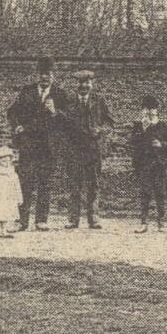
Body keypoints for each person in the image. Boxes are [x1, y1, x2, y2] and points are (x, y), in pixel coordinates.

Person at [5, 58, 61, 230]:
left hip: (48, 146)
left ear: (53, 76)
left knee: (45, 182)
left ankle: (41, 220)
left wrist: (55, 112)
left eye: (48, 74)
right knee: (25, 182)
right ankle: (22, 220)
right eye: (42, 74)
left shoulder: (60, 94)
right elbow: (12, 112)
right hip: (29, 144)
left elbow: (68, 121)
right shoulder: (26, 92)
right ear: (37, 75)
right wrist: (17, 127)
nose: (45, 78)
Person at [62, 69, 114, 229]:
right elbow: (62, 124)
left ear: (92, 84)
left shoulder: (100, 101)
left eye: (87, 82)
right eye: (80, 83)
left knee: (94, 184)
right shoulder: (69, 101)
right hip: (75, 149)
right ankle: (73, 218)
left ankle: (93, 217)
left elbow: (110, 123)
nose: (84, 86)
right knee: (74, 185)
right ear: (76, 85)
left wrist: (100, 130)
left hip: (93, 149)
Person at [128, 96, 167, 233]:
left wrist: (162, 144)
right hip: (143, 164)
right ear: (142, 110)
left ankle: (161, 221)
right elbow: (132, 143)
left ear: (156, 111)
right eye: (146, 109)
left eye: (152, 109)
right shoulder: (138, 126)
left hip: (158, 164)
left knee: (159, 192)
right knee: (144, 192)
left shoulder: (162, 126)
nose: (149, 112)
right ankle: (143, 222)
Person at [0, 146, 24, 239]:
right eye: (3, 161)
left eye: (8, 161)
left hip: (9, 197)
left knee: (6, 214)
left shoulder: (12, 174)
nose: (6, 163)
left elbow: (17, 186)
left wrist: (19, 197)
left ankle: (3, 230)